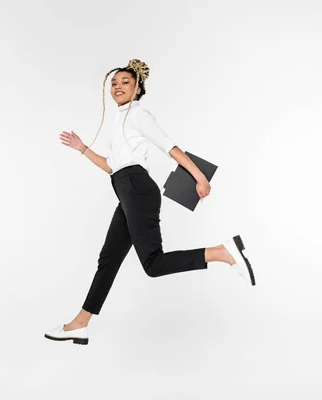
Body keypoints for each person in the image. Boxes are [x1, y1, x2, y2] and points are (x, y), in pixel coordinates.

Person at [45, 59, 255, 345]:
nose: (118, 86)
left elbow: (170, 147)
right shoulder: (121, 118)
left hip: (137, 188)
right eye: (114, 83)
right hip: (126, 188)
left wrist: (199, 177)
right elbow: (112, 166)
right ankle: (80, 324)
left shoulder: (138, 115)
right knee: (108, 260)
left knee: (153, 264)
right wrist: (83, 149)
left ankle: (222, 252)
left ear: (138, 89)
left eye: (125, 83)